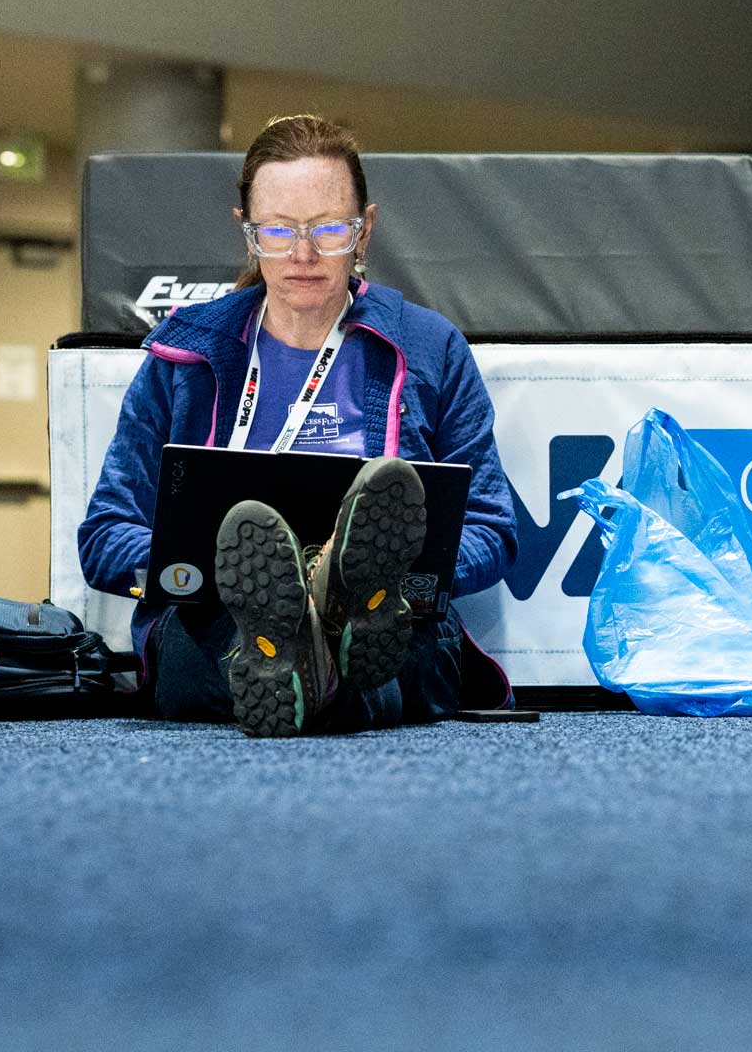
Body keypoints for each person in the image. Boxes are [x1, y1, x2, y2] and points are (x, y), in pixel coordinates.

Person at [78, 115, 517, 736]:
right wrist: (210, 567)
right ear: (248, 233)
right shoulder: (184, 359)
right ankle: (322, 669)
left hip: (386, 613)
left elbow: (492, 529)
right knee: (203, 642)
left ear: (365, 229)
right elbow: (105, 535)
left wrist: (407, 574)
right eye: (278, 231)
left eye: (328, 229)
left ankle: (302, 662)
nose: (303, 254)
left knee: (398, 641)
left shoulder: (429, 346)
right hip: (224, 615)